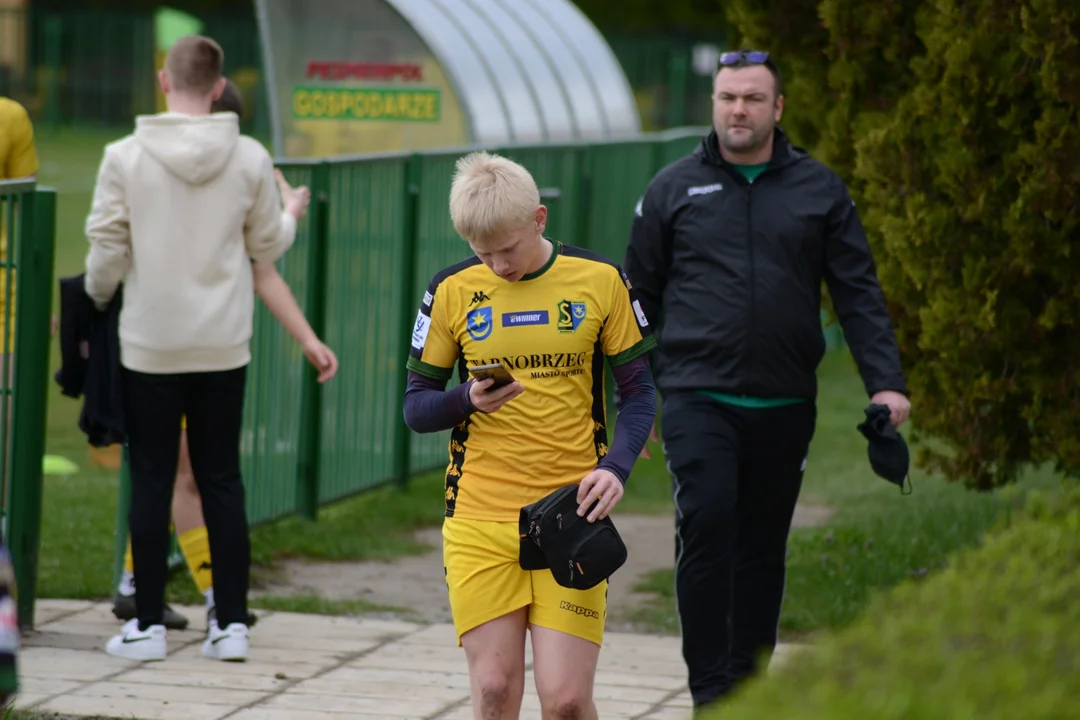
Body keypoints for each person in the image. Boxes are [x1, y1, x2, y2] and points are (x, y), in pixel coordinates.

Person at [623, 49, 911, 710]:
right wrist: (632, 401)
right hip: (697, 394)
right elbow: (635, 300)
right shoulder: (671, 189)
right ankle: (710, 692)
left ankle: (748, 689)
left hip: (785, 399)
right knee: (708, 518)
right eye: (727, 97)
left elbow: (858, 293)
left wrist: (886, 383)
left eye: (752, 98)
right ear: (714, 104)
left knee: (760, 545)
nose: (738, 110)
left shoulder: (819, 190)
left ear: (777, 108)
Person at [403, 151, 657, 720]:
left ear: (540, 219)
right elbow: (416, 409)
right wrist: (465, 399)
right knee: (493, 690)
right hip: (478, 518)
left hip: (571, 514)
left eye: (508, 250)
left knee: (566, 701)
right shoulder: (451, 290)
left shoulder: (601, 281)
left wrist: (615, 469)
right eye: (481, 252)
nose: (497, 265)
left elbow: (640, 395)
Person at [85, 35, 310, 662]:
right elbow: (268, 245)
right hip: (222, 343)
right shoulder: (248, 158)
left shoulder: (124, 156)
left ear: (164, 80)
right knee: (221, 480)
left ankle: (147, 625)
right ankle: (230, 625)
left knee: (153, 478)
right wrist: (292, 216)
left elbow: (106, 249)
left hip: (150, 341)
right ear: (218, 88)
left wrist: (100, 297)